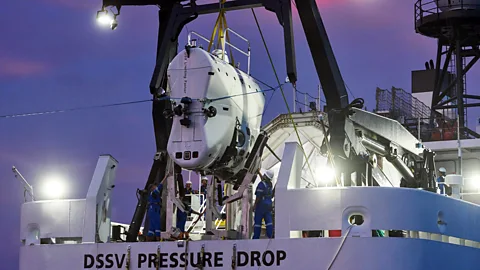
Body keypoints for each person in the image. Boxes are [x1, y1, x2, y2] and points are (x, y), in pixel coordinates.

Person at [252, 169, 274, 239]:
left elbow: (258, 197)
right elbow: (263, 181)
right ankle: (270, 236)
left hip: (261, 205)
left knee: (258, 223)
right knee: (269, 221)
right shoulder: (270, 184)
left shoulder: (261, 185)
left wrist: (255, 205)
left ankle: (256, 238)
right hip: (268, 205)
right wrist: (259, 172)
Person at [146, 177, 165, 241]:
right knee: (157, 226)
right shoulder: (154, 193)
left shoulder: (152, 195)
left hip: (151, 211)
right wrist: (166, 177)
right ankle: (158, 242)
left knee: (151, 228)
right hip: (155, 210)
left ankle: (147, 243)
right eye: (154, 186)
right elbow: (160, 186)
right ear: (152, 188)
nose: (155, 187)